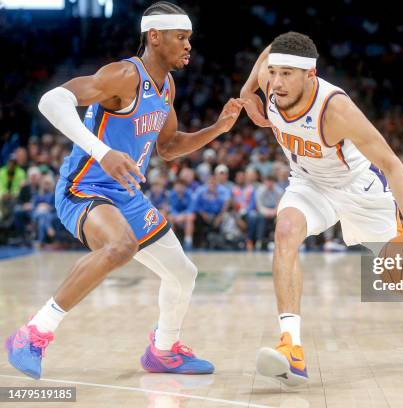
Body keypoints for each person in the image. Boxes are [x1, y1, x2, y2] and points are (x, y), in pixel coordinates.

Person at [6, 1, 243, 380]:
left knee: (183, 273)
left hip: (126, 195)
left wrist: (217, 129)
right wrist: (102, 153)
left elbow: (167, 147)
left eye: (189, 39)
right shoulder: (122, 76)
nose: (188, 46)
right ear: (155, 36)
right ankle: (32, 333)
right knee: (120, 246)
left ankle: (163, 351)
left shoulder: (166, 86)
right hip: (83, 188)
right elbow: (51, 101)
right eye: (181, 38)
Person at [240, 31, 403, 387]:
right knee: (285, 232)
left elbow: (391, 162)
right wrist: (246, 91)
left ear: (309, 76)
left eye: (285, 75)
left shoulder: (336, 109)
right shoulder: (271, 81)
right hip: (309, 183)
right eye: (273, 73)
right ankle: (292, 347)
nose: (276, 82)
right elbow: (269, 50)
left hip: (360, 189)